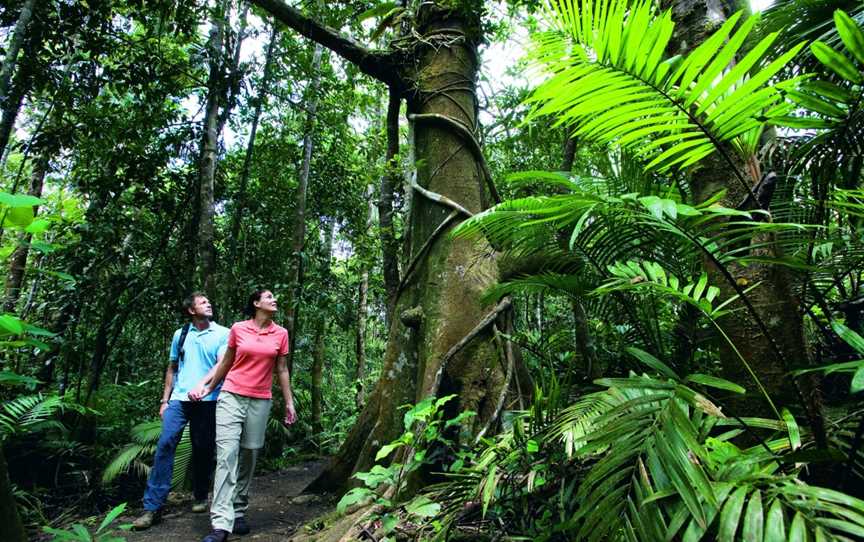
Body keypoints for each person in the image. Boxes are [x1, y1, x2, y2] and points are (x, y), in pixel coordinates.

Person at [189, 288, 297, 542]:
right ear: (256, 303)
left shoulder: (281, 333)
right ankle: (221, 523)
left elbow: (281, 370)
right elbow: (226, 362)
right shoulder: (238, 329)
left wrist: (289, 403)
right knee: (227, 455)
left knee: (249, 452)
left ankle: (238, 510)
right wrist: (208, 387)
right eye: (269, 297)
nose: (274, 300)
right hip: (231, 395)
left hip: (260, 400)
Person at [132, 292, 229, 531]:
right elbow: (172, 368)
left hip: (208, 400)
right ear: (191, 310)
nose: (209, 303)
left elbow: (221, 365)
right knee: (165, 444)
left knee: (203, 449)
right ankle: (152, 507)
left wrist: (205, 388)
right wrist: (165, 400)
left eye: (209, 300)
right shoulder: (181, 334)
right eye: (203, 302)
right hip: (179, 399)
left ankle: (199, 494)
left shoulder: (223, 333)